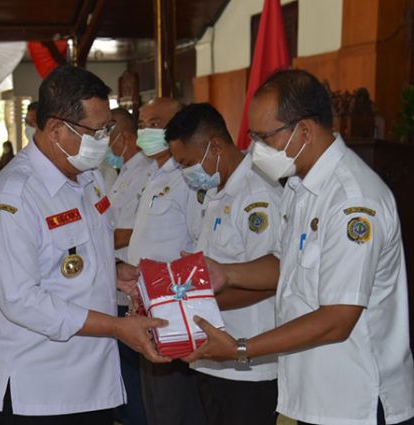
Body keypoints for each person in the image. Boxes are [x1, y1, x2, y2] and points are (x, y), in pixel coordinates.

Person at [185, 69, 414, 425]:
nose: (254, 149)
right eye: (253, 137)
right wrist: (227, 273)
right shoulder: (298, 187)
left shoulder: (352, 200)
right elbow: (285, 264)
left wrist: (241, 348)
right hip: (311, 396)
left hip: (357, 402)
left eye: (264, 137)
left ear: (304, 131)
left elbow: (337, 319)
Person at [0, 65, 169, 425]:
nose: (105, 139)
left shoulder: (88, 177)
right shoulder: (12, 199)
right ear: (56, 130)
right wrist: (116, 326)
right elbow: (21, 300)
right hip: (37, 393)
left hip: (89, 384)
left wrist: (112, 272)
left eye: (107, 128)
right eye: (96, 131)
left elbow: (70, 253)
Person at [166, 103, 281, 425]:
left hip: (248, 362)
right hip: (214, 354)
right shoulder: (218, 193)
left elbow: (273, 276)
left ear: (215, 145)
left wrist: (188, 308)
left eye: (187, 163)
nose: (186, 173)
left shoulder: (258, 195)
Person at [128, 97, 207, 425]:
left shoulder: (187, 178)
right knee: (155, 406)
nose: (146, 131)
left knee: (175, 405)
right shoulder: (154, 173)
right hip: (145, 303)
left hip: (173, 307)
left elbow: (196, 244)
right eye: (143, 124)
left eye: (155, 123)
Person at [107, 107, 154, 425]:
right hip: (119, 284)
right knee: (122, 373)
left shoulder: (147, 172)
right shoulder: (122, 172)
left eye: (104, 136)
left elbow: (133, 230)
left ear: (122, 137)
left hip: (135, 283)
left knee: (136, 377)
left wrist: (93, 244)